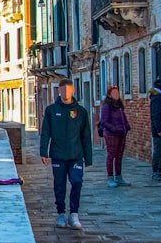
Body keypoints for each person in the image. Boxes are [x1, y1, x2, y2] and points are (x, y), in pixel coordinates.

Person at [40, 78, 93, 231]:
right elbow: (45, 133)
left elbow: (86, 136)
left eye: (68, 89)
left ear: (73, 91)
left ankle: (74, 213)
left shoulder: (81, 112)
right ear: (59, 91)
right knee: (59, 185)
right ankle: (61, 213)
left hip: (76, 155)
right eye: (62, 90)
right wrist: (43, 151)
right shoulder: (51, 110)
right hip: (57, 154)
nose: (65, 92)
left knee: (77, 182)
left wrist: (88, 157)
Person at [99, 86, 131, 188]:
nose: (116, 95)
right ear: (109, 95)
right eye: (114, 93)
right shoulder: (107, 106)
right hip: (111, 134)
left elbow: (123, 118)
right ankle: (110, 178)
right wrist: (114, 129)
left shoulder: (119, 106)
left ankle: (119, 176)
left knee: (119, 156)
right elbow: (104, 121)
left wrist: (127, 127)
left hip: (122, 133)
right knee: (111, 155)